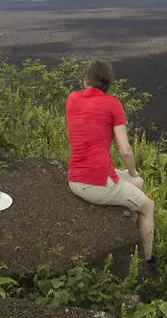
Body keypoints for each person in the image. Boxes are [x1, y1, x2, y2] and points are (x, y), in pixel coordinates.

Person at [65, 60, 157, 273]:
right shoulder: (113, 104)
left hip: (75, 178)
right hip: (97, 183)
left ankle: (129, 239)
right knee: (148, 206)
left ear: (87, 79)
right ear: (109, 83)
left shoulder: (72, 99)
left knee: (138, 184)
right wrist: (133, 170)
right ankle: (148, 263)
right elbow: (125, 150)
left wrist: (132, 177)